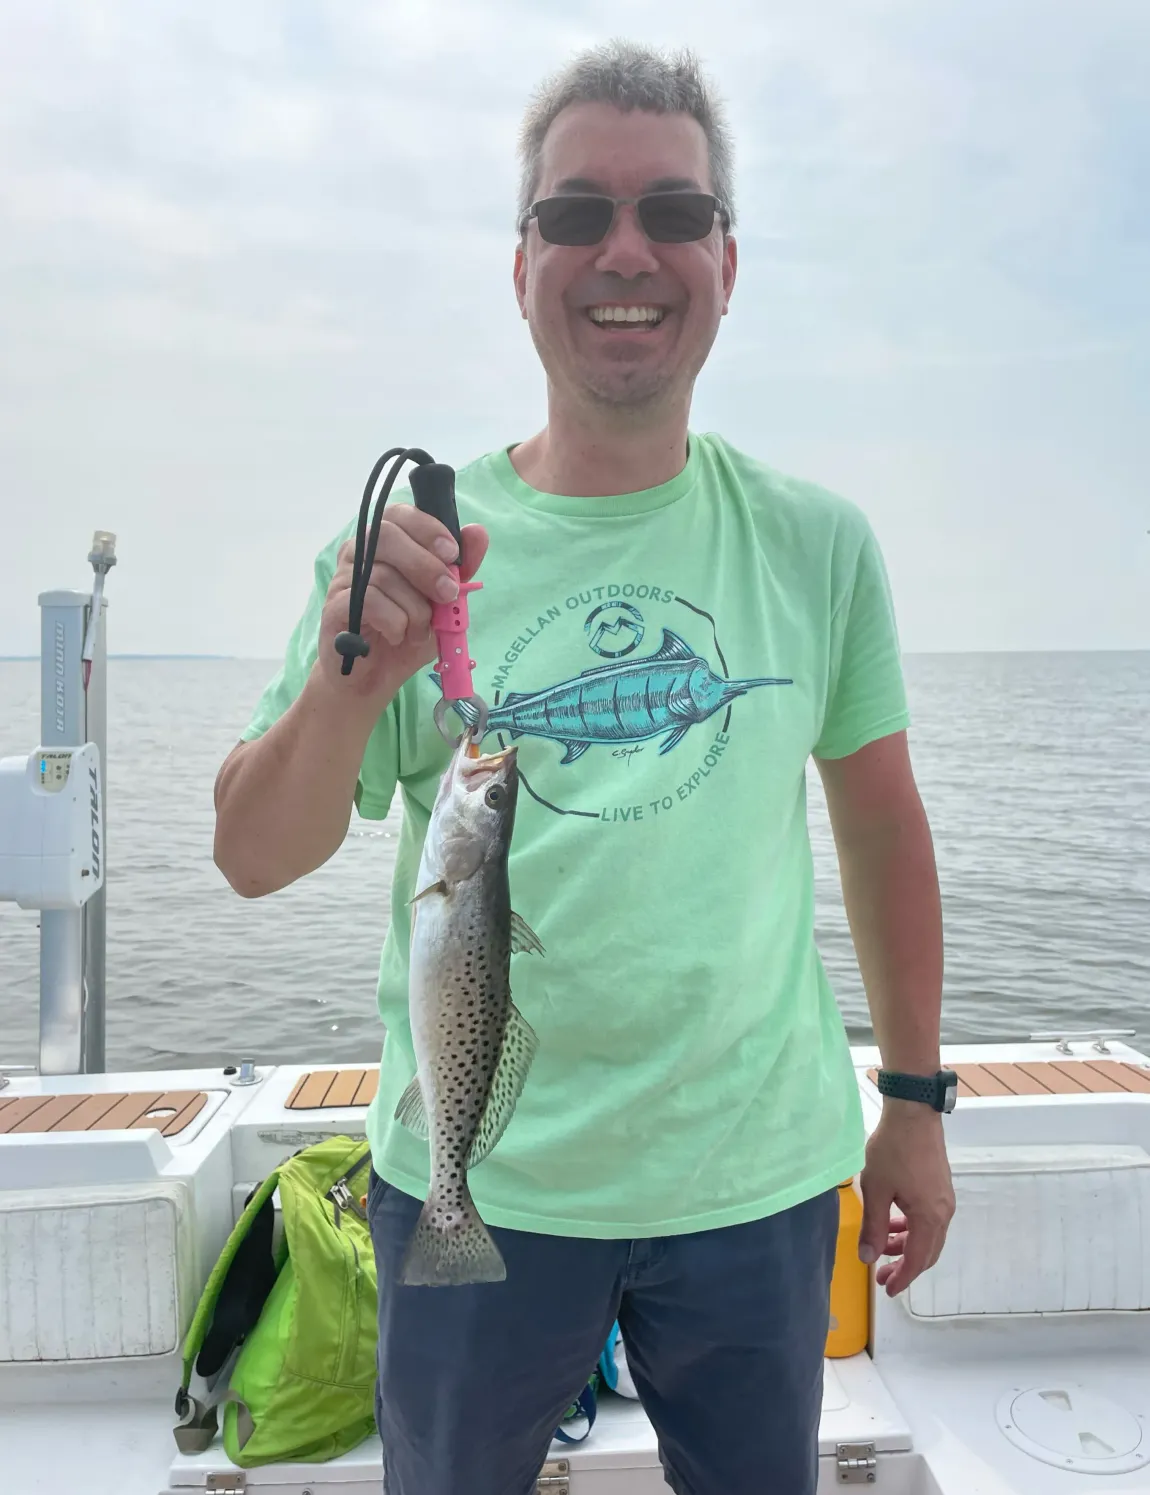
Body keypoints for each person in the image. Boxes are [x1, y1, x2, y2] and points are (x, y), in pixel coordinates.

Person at [214, 39, 955, 1495]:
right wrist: (343, 670)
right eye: (576, 215)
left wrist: (915, 1107)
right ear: (520, 265)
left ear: (725, 264)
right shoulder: (402, 558)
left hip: (755, 1178)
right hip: (474, 1182)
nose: (628, 250)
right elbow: (252, 853)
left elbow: (878, 830)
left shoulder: (814, 542)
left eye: (672, 214)